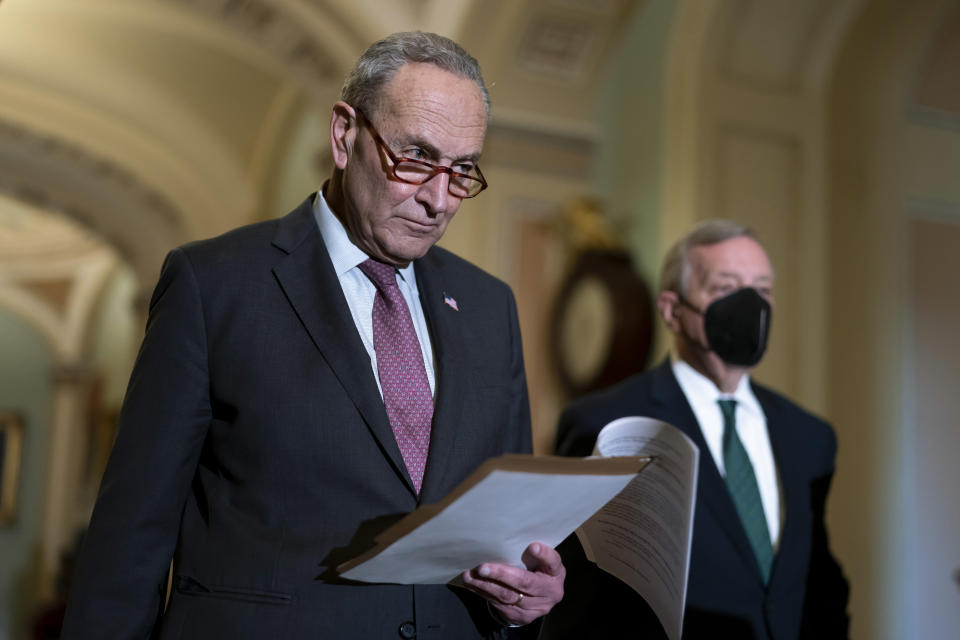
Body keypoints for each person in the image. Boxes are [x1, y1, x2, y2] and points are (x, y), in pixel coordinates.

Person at [61, 31, 564, 639]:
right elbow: (130, 538)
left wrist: (527, 592)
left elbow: (504, 526)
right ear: (344, 135)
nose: (438, 199)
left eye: (462, 171)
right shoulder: (213, 285)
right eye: (415, 158)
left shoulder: (489, 306)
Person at [544, 220, 849, 639]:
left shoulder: (809, 435)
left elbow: (819, 586)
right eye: (726, 288)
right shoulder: (605, 423)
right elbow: (574, 591)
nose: (750, 305)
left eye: (761, 290)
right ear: (672, 310)